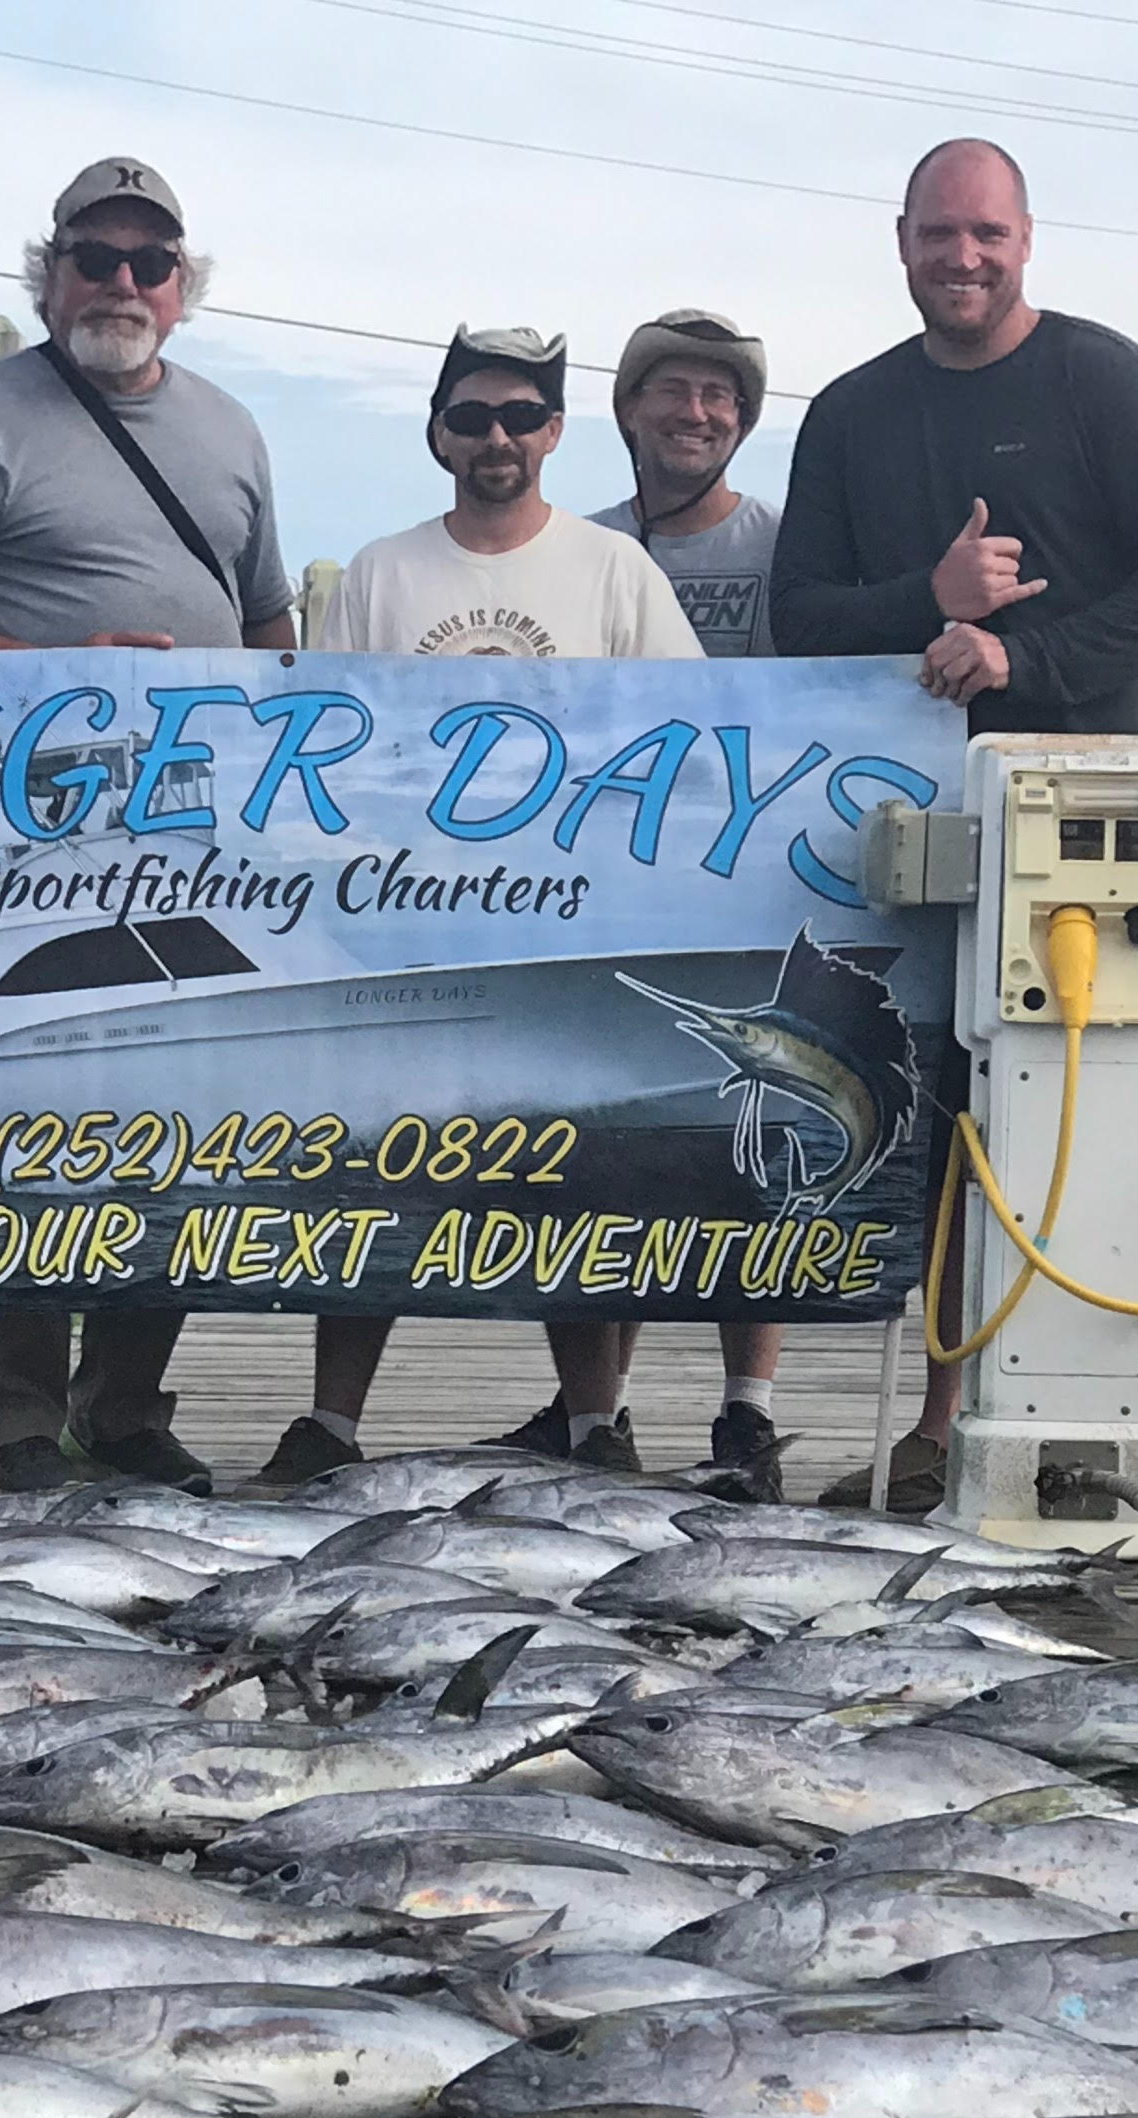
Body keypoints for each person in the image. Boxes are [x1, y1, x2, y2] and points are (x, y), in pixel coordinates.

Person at [774, 138, 1138, 1512]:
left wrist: (1020, 660)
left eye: (986, 234)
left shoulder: (1104, 380)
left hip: (1084, 823)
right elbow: (799, 619)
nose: (961, 258)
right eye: (937, 235)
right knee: (929, 1118)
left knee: (1082, 1120)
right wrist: (929, 597)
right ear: (899, 240)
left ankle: (1079, 1425)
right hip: (897, 832)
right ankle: (931, 1424)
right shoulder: (852, 414)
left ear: (1027, 239)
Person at [0, 157, 295, 1497]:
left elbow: (271, 624)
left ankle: (126, 1403)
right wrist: (51, 668)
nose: (121, 283)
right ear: (47, 275)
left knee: (173, 1114)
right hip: (20, 850)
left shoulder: (231, 431)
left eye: (147, 262)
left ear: (185, 287)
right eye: (94, 258)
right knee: (17, 1114)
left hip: (193, 844)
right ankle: (15, 1424)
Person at [259, 330, 702, 1486]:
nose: (495, 438)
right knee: (370, 1163)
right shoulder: (380, 571)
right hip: (400, 927)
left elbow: (691, 740)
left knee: (573, 1164)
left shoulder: (615, 572)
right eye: (471, 418)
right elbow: (319, 748)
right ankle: (331, 1422)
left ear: (554, 431)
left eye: (519, 416)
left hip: (570, 924)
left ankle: (597, 1421)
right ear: (438, 434)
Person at [591, 307, 791, 1499]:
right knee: (613, 1132)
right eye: (673, 390)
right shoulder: (588, 545)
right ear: (628, 410)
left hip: (756, 872)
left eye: (720, 395)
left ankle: (747, 1413)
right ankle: (594, 1415)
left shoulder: (783, 544)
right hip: (613, 879)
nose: (696, 413)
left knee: (748, 1137)